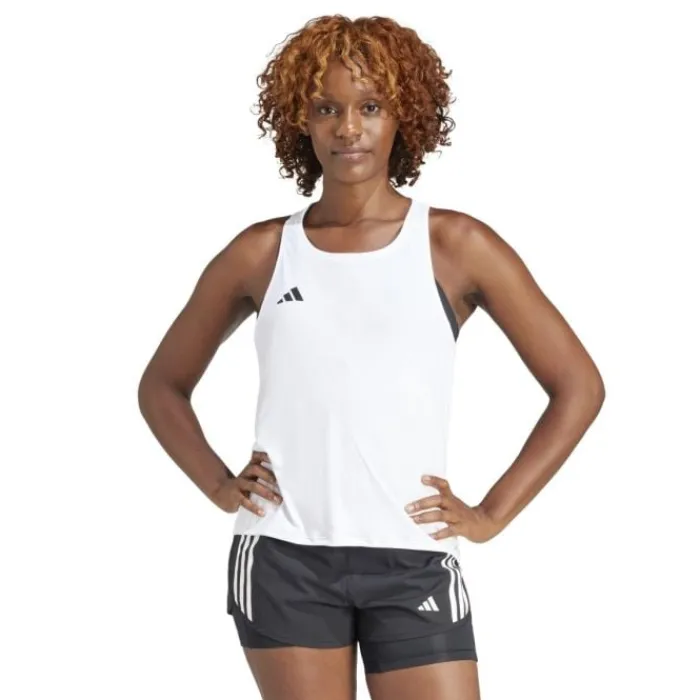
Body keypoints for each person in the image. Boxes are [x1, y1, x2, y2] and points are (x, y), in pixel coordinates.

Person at [137, 14, 605, 700]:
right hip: (285, 556)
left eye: (371, 106)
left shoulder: (454, 245)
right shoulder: (262, 252)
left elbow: (578, 385)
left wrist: (491, 514)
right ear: (300, 120)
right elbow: (162, 385)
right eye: (327, 108)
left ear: (403, 116)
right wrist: (217, 483)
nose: (348, 128)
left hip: (412, 558)